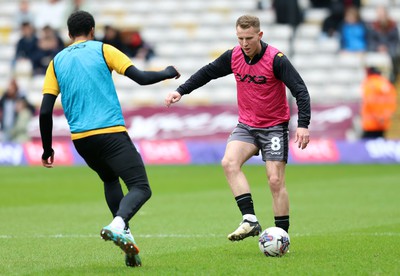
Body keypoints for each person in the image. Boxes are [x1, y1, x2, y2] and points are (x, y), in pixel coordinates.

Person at [39, 10, 180, 267]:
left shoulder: (56, 61)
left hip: (81, 139)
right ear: (92, 30)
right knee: (141, 187)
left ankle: (126, 240)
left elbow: (46, 110)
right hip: (110, 132)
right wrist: (167, 72)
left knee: (109, 178)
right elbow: (140, 77)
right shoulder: (103, 49)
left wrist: (47, 148)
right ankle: (118, 224)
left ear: (69, 35)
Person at [165, 15, 311, 241]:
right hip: (247, 125)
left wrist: (303, 125)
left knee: (275, 180)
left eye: (249, 38)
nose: (244, 43)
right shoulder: (233, 56)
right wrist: (181, 91)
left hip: (274, 126)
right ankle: (250, 220)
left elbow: (300, 90)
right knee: (229, 162)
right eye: (240, 38)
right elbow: (207, 72)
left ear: (260, 35)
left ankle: (281, 236)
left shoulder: (276, 59)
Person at [361, 67, 397, 139]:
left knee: (367, 145)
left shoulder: (370, 83)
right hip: (384, 123)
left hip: (371, 123)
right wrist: (385, 116)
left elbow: (370, 101)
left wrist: (378, 117)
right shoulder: (387, 84)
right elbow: (393, 102)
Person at [367, 6, 400, 83]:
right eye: (379, 13)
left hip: (390, 53)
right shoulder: (373, 26)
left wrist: (387, 47)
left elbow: (395, 41)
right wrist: (378, 47)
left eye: (382, 13)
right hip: (376, 52)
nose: (381, 15)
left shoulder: (392, 25)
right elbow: (371, 40)